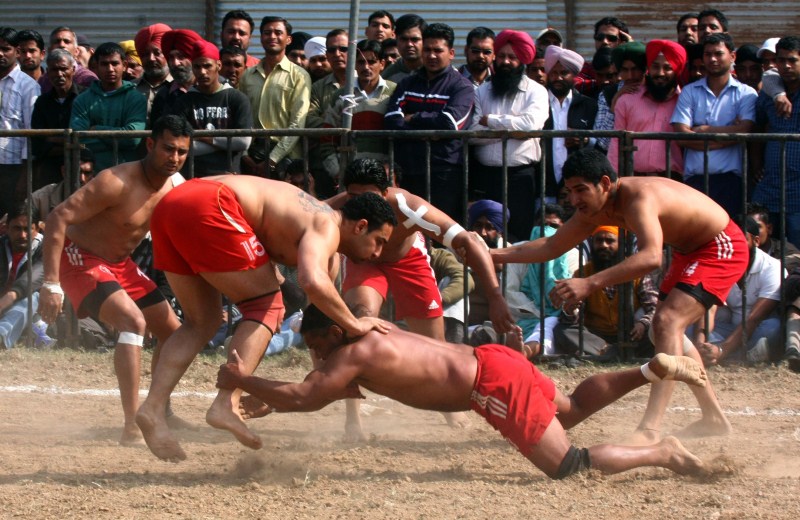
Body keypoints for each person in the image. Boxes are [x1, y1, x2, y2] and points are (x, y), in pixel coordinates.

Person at [218, 303, 709, 480]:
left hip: (489, 385)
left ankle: (664, 453)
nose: (317, 355)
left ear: (333, 334)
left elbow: (308, 396)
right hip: (494, 359)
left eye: (316, 344)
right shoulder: (373, 330)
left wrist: (242, 380)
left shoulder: (350, 355)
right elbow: (319, 392)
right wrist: (268, 396)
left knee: (568, 463)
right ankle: (649, 370)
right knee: (573, 409)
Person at [491, 148, 748, 445]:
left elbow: (652, 257)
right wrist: (490, 254)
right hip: (688, 250)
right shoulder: (594, 208)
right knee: (662, 328)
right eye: (569, 191)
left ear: (604, 183)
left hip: (720, 245)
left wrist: (588, 284)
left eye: (580, 191)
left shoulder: (639, 198)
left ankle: (651, 429)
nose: (573, 200)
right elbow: (551, 246)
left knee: (666, 322)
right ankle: (713, 417)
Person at [135, 179, 396, 461]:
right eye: (378, 241)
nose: (378, 253)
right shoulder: (327, 225)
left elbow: (316, 305)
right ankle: (226, 402)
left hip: (171, 206)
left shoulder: (319, 230)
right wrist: (355, 324)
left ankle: (152, 408)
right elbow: (312, 281)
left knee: (202, 321)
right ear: (360, 226)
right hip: (210, 202)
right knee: (268, 305)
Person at [326, 158, 514, 439]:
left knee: (436, 346)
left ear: (386, 191)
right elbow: (297, 221)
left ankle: (448, 406)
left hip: (407, 260)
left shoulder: (408, 206)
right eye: (355, 197)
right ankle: (353, 419)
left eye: (369, 197)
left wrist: (495, 296)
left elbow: (470, 241)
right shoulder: (336, 207)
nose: (361, 203)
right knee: (358, 325)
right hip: (362, 260)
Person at [37, 115, 190, 446]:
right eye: (168, 149)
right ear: (150, 144)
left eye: (181, 152)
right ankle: (131, 425)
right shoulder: (115, 181)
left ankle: (157, 409)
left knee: (174, 333)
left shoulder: (176, 184)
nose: (174, 158)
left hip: (120, 264)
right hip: (79, 258)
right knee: (132, 322)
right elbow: (57, 217)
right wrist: (51, 283)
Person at [385, 22, 474, 221]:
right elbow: (391, 120)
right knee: (407, 230)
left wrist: (413, 118)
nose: (431, 55)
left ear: (451, 53)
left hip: (444, 172)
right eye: (427, 50)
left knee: (442, 230)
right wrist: (430, 127)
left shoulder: (462, 87)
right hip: (408, 169)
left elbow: (449, 123)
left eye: (437, 50)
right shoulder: (407, 83)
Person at [470, 30, 549, 242]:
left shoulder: (537, 91)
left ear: (522, 60)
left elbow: (531, 127)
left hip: (520, 177)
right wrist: (514, 132)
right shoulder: (481, 91)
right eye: (502, 56)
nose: (505, 61)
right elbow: (472, 133)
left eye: (512, 57)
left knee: (518, 235)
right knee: (483, 236)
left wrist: (492, 121)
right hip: (485, 176)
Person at [671, 33, 758, 218]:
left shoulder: (746, 93)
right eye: (708, 54)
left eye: (718, 54)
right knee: (694, 238)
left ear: (732, 56)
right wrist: (730, 136)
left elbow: (745, 130)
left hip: (730, 181)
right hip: (694, 179)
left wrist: (704, 131)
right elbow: (681, 136)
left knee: (728, 237)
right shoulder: (689, 91)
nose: (712, 59)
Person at [554, 225, 658, 359]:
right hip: (596, 336)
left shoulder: (636, 271)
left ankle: (609, 353)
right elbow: (573, 317)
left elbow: (655, 307)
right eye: (599, 241)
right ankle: (611, 352)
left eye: (610, 241)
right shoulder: (582, 273)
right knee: (562, 330)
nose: (603, 245)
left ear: (621, 244)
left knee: (656, 329)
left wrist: (643, 323)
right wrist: (570, 311)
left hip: (632, 333)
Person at [694, 217, 784, 366]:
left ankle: (725, 356)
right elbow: (709, 308)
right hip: (730, 328)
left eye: (741, 239)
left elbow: (754, 318)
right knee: (689, 326)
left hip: (757, 329)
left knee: (773, 328)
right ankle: (735, 356)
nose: (734, 245)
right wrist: (700, 342)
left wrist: (722, 349)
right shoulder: (720, 262)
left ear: (756, 241)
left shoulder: (772, 268)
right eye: (730, 240)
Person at [237, 16, 311, 177]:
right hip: (251, 157)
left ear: (288, 39)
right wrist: (244, 155)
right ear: (261, 37)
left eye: (278, 32)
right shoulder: (247, 75)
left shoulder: (299, 76)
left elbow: (297, 123)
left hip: (286, 159)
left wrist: (272, 159)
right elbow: (240, 119)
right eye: (267, 32)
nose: (272, 37)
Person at [169, 40, 252, 176]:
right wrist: (224, 144)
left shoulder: (237, 99)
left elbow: (242, 142)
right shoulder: (184, 101)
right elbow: (180, 146)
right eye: (197, 67)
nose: (202, 72)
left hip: (229, 176)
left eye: (207, 66)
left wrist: (204, 137)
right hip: (192, 177)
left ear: (218, 65)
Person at [608, 40, 686, 178]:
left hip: (673, 183)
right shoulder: (627, 100)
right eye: (655, 67)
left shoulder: (685, 103)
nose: (660, 73)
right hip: (634, 180)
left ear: (676, 71)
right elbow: (616, 143)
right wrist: (613, 180)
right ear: (648, 68)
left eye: (667, 68)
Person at [751, 36, 800, 247]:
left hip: (798, 189)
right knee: (765, 246)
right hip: (770, 185)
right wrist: (755, 163)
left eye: (792, 60)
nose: (786, 65)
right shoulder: (770, 91)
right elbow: (757, 127)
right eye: (781, 60)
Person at [69, 42, 147, 171]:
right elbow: (78, 139)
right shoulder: (82, 100)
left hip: (127, 174)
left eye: (115, 63)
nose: (110, 69)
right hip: (92, 176)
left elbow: (133, 139)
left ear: (124, 66)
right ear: (96, 67)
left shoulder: (136, 98)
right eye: (104, 64)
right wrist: (118, 139)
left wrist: (96, 130)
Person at [542, 45, 597, 204]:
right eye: (554, 73)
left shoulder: (589, 105)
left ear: (573, 75)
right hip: (543, 186)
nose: (558, 78)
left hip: (578, 188)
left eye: (563, 73)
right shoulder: (537, 103)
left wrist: (586, 140)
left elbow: (602, 141)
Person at [0, 27, 40, 221]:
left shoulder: (28, 86)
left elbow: (31, 134)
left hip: (13, 168)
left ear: (16, 51)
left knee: (9, 223)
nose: (0, 53)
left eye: (5, 49)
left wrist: (24, 178)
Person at [30, 49, 83, 189]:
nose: (59, 74)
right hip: (49, 172)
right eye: (54, 69)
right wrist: (69, 142)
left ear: (73, 69)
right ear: (47, 72)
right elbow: (37, 141)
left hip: (81, 169)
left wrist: (51, 139)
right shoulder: (42, 102)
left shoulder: (85, 97)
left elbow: (86, 137)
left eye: (63, 69)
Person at [0, 203, 48, 349]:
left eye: (27, 229)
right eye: (16, 228)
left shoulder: (47, 248)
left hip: (36, 311)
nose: (22, 235)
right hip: (4, 307)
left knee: (33, 297)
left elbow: (33, 278)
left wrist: (8, 299)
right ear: (6, 228)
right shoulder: (2, 246)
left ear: (37, 229)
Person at [30, 147, 95, 224]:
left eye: (87, 173)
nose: (82, 179)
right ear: (64, 171)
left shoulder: (101, 198)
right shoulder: (39, 199)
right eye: (77, 172)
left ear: (93, 174)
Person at [39, 26, 98, 93]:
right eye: (57, 41)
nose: (62, 45)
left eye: (67, 41)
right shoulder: (43, 80)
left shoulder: (87, 79)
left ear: (76, 51)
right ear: (49, 50)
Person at [134, 23, 173, 122]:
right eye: (146, 54)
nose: (151, 59)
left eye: (157, 53)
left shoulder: (179, 88)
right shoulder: (130, 89)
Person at [381, 14, 426, 83]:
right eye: (404, 39)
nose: (409, 44)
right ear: (396, 40)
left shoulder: (437, 70)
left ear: (425, 40)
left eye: (414, 39)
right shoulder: (388, 77)